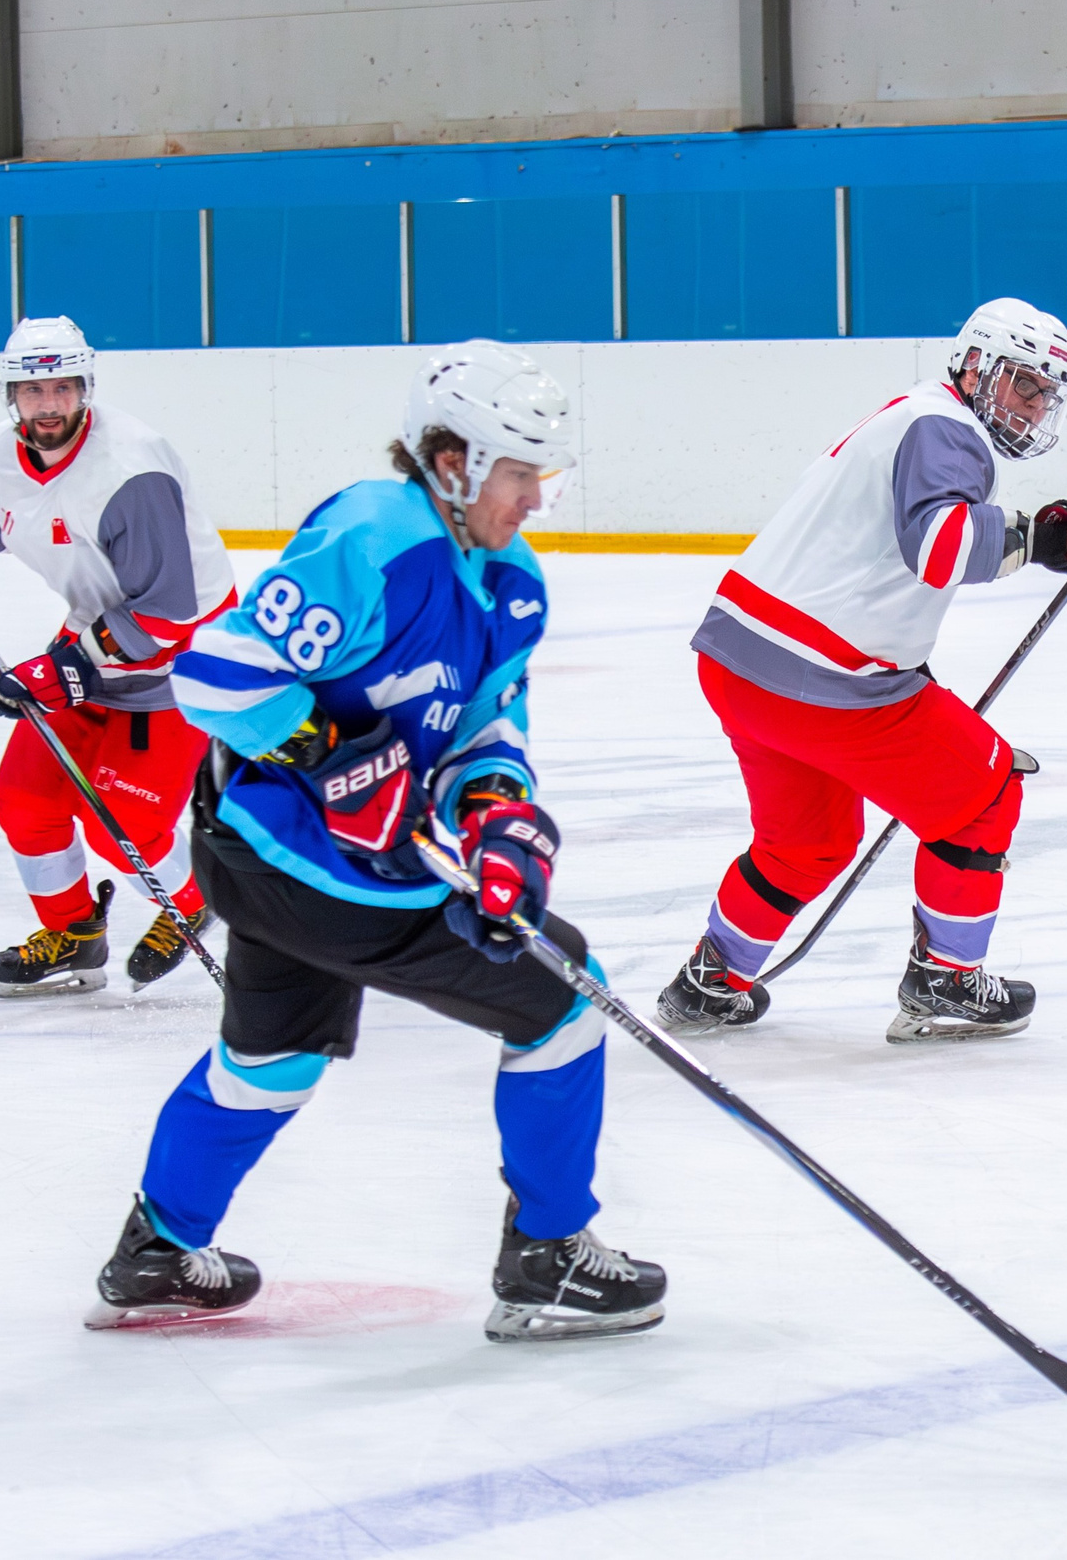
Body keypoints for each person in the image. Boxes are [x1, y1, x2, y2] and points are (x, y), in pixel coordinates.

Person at [85, 341, 668, 1341]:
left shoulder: (512, 582)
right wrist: (332, 753)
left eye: (541, 476)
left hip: (268, 861)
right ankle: (548, 1249)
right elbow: (215, 674)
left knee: (269, 1061)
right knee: (565, 1002)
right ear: (453, 461)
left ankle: (157, 1248)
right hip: (299, 859)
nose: (533, 498)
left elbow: (486, 730)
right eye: (520, 474)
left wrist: (501, 821)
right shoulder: (373, 535)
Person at [658, 299, 1067, 1044]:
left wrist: (1050, 534)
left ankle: (710, 980)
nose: (1035, 406)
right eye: (1025, 385)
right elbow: (941, 545)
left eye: (1046, 394)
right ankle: (947, 978)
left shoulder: (915, 418)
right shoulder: (948, 429)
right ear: (977, 365)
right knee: (984, 794)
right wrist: (1049, 541)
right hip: (830, 682)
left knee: (806, 842)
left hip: (741, 666)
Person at [0, 316, 236, 997]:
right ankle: (72, 935)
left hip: (182, 665)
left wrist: (68, 669)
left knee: (124, 824)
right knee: (24, 803)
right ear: (12, 396)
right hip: (96, 644)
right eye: (33, 391)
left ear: (85, 387)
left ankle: (190, 900)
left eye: (63, 387)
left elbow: (169, 613)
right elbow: (24, 520)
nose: (49, 404)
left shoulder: (132, 469)